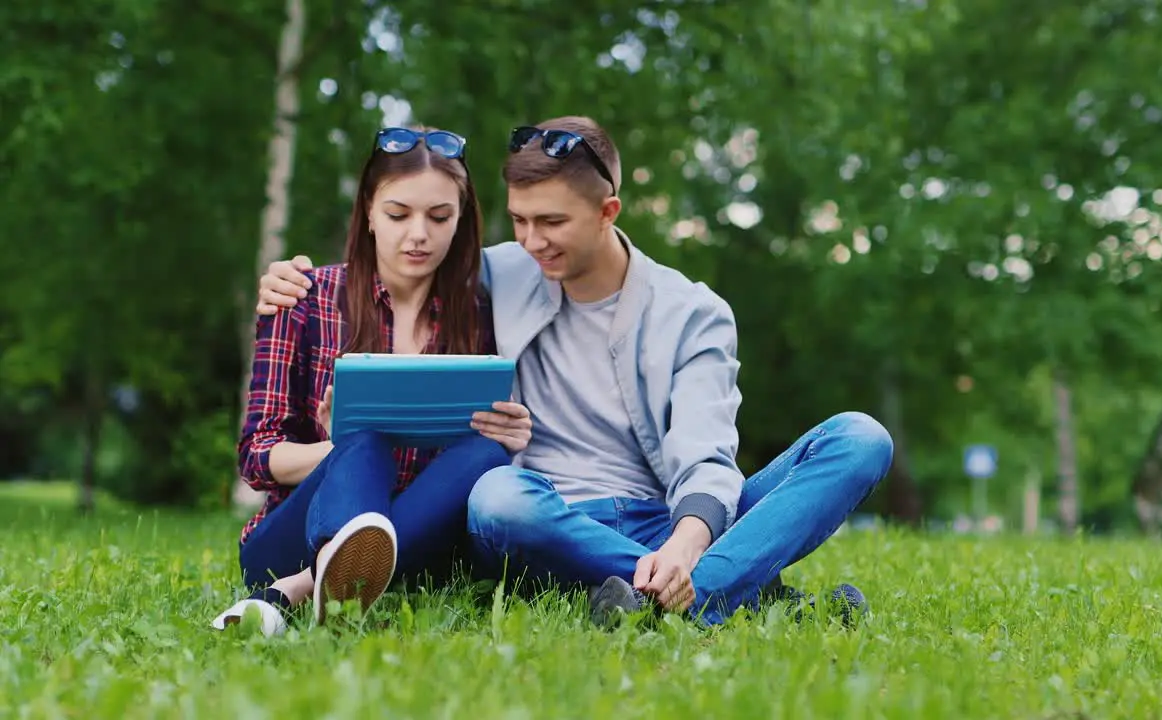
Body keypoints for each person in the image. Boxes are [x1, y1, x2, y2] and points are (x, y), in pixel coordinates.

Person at [255, 116, 893, 628]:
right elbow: (409, 247)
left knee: (859, 438)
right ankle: (739, 592)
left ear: (608, 212)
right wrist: (292, 281)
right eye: (521, 221)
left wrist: (687, 543)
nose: (533, 242)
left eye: (553, 223)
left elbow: (706, 454)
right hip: (548, 519)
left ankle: (685, 591)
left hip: (667, 514)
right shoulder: (501, 272)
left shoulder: (693, 313)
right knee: (496, 496)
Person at [212, 126, 533, 637]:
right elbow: (256, 456)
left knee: (487, 454)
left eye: (439, 217)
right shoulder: (303, 297)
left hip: (414, 538)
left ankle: (300, 588)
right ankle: (319, 567)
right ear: (367, 212)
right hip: (289, 537)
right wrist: (340, 449)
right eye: (398, 214)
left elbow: (465, 467)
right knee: (366, 443)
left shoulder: (481, 317)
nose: (418, 235)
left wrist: (510, 435)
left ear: (461, 220)